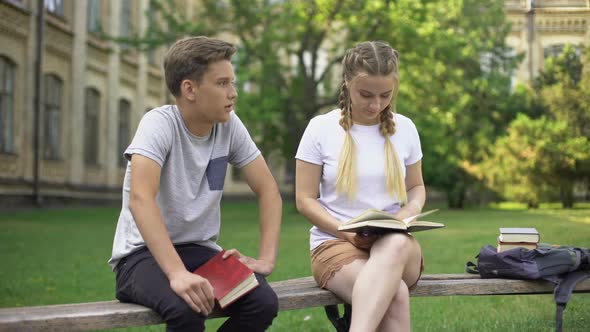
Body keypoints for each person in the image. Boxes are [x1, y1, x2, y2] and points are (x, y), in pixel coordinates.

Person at [108, 36, 282, 332]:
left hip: (200, 251)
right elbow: (140, 198)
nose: (233, 93)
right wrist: (176, 273)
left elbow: (269, 191)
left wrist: (265, 259)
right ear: (189, 89)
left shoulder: (230, 126)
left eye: (233, 82)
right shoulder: (158, 124)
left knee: (263, 303)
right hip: (141, 256)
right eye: (223, 83)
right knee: (185, 310)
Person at [295, 41, 425, 332]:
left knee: (395, 241)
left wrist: (408, 212)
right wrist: (346, 232)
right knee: (396, 296)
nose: (376, 105)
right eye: (366, 94)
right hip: (335, 243)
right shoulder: (321, 128)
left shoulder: (406, 128)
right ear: (347, 83)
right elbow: (304, 200)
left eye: (385, 95)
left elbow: (416, 187)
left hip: (398, 248)